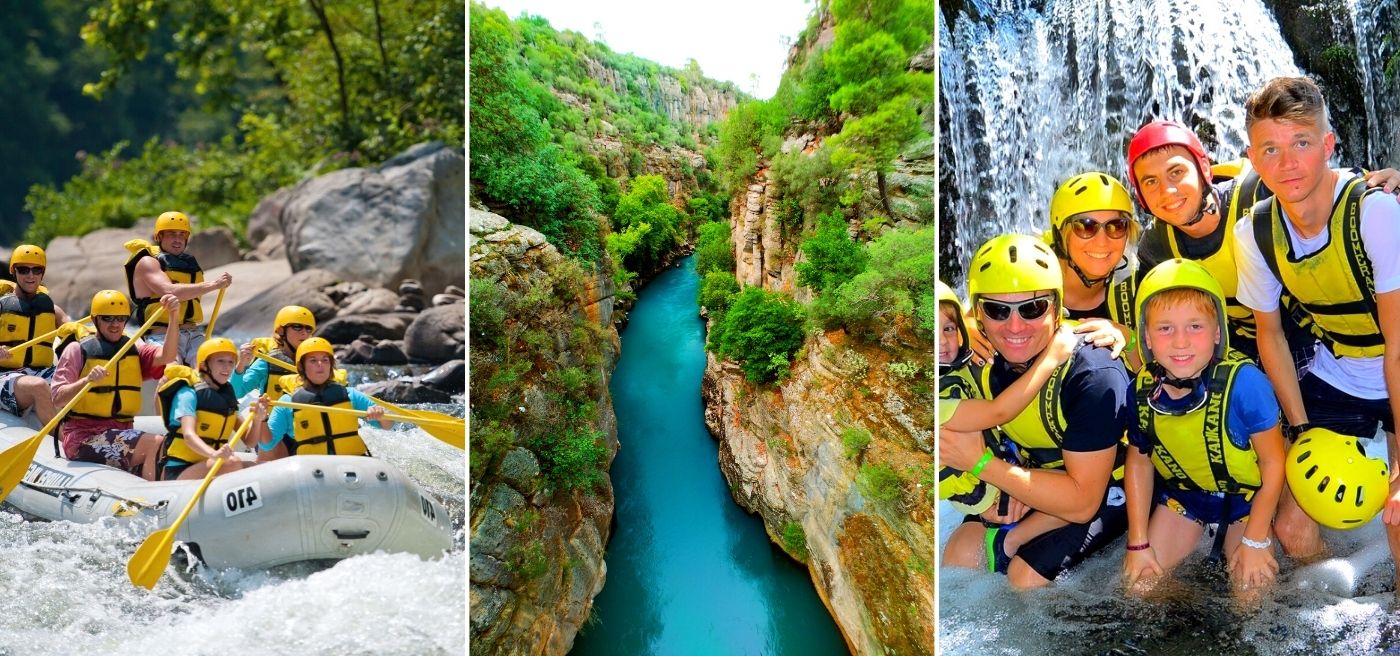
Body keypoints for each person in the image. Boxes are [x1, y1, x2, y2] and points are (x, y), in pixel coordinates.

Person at [1233, 76, 1400, 576]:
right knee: (1291, 525)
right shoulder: (1255, 233)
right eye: (1271, 149)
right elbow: (1271, 335)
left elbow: (1398, 346)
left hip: (1394, 361)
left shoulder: (1376, 213)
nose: (1287, 163)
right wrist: (1302, 431)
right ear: (1253, 157)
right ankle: (1347, 589)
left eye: (1301, 143)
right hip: (1339, 370)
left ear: (1327, 145)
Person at [939, 234, 1133, 589]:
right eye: (998, 310)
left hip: (1106, 486)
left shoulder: (1093, 373)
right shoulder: (973, 356)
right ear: (977, 314)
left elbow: (1082, 502)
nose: (1015, 326)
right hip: (1031, 476)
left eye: (1032, 308)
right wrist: (991, 495)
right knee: (960, 555)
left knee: (1025, 577)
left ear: (1057, 309)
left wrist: (985, 467)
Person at [1128, 119, 1400, 364]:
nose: (1168, 191)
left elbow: (1326, 184)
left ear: (1203, 170)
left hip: (1313, 337)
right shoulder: (1156, 248)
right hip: (1237, 348)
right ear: (1141, 196)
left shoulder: (1260, 192)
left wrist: (1384, 182)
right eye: (1150, 182)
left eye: (1176, 172)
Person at [1121, 259, 1285, 603]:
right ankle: (1192, 605)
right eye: (1165, 329)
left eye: (1194, 326)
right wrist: (1138, 542)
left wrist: (1254, 540)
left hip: (1247, 502)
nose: (1180, 342)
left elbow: (1273, 464)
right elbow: (1139, 461)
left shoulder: (1245, 384)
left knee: (1250, 596)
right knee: (1139, 589)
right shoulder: (1140, 390)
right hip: (1186, 500)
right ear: (1146, 337)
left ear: (1216, 333)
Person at [938, 279, 1076, 560]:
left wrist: (973, 323)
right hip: (984, 493)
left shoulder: (958, 365)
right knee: (1073, 498)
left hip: (982, 478)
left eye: (948, 329)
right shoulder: (938, 398)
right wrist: (1051, 358)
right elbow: (998, 412)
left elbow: (1023, 328)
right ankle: (1009, 542)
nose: (941, 341)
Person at [51, 291, 180, 481]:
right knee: (155, 443)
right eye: (108, 318)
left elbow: (167, 356)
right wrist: (86, 381)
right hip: (84, 438)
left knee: (168, 445)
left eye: (121, 318)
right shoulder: (77, 350)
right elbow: (57, 397)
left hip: (122, 433)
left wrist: (173, 316)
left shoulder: (133, 351)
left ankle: (156, 487)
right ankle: (150, 493)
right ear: (95, 320)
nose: (115, 324)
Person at [124, 210, 232, 366]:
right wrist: (213, 285)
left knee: (216, 369)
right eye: (172, 234)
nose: (178, 239)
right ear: (158, 236)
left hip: (194, 335)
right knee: (173, 372)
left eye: (182, 234)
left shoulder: (188, 263)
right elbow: (168, 290)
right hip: (162, 337)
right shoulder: (147, 262)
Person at [258, 337, 389, 461]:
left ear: (331, 365)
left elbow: (388, 425)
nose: (320, 364)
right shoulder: (287, 403)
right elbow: (267, 445)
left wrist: (380, 415)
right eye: (313, 360)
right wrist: (262, 419)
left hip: (352, 464)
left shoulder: (350, 395)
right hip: (313, 470)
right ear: (302, 367)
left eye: (325, 360)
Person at [155, 338, 266, 480]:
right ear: (205, 365)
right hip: (180, 470)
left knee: (261, 467)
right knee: (232, 463)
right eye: (220, 361)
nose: (227, 367)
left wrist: (257, 420)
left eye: (231, 362)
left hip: (213, 463)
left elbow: (249, 442)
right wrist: (214, 454)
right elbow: (189, 436)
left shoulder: (227, 395)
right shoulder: (188, 393)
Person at [0, 245, 77, 423]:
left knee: (79, 381)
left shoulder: (51, 309)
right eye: (24, 269)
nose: (30, 275)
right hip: (4, 376)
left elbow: (72, 327)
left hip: (40, 371)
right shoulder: (2, 306)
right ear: (13, 271)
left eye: (36, 270)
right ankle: (67, 446)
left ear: (42, 273)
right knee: (38, 386)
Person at [235, 305, 318, 400]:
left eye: (308, 329)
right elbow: (237, 392)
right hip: (274, 413)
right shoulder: (268, 362)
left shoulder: (318, 362)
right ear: (281, 330)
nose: (304, 333)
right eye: (297, 327)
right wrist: (241, 364)